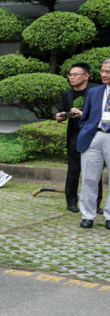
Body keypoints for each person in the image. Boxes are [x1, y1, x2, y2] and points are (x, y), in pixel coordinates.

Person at [57, 62, 103, 213]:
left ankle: (95, 204)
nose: (72, 77)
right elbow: (65, 110)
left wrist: (83, 114)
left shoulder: (97, 91)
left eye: (75, 74)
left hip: (94, 134)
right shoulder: (67, 94)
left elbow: (102, 114)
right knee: (73, 170)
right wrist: (61, 116)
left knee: (94, 171)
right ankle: (71, 202)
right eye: (70, 75)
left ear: (86, 76)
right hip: (75, 135)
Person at [76, 57, 110, 230]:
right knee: (89, 178)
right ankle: (88, 216)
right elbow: (86, 116)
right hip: (94, 136)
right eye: (102, 71)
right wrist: (85, 130)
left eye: (108, 72)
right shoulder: (95, 92)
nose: (104, 74)